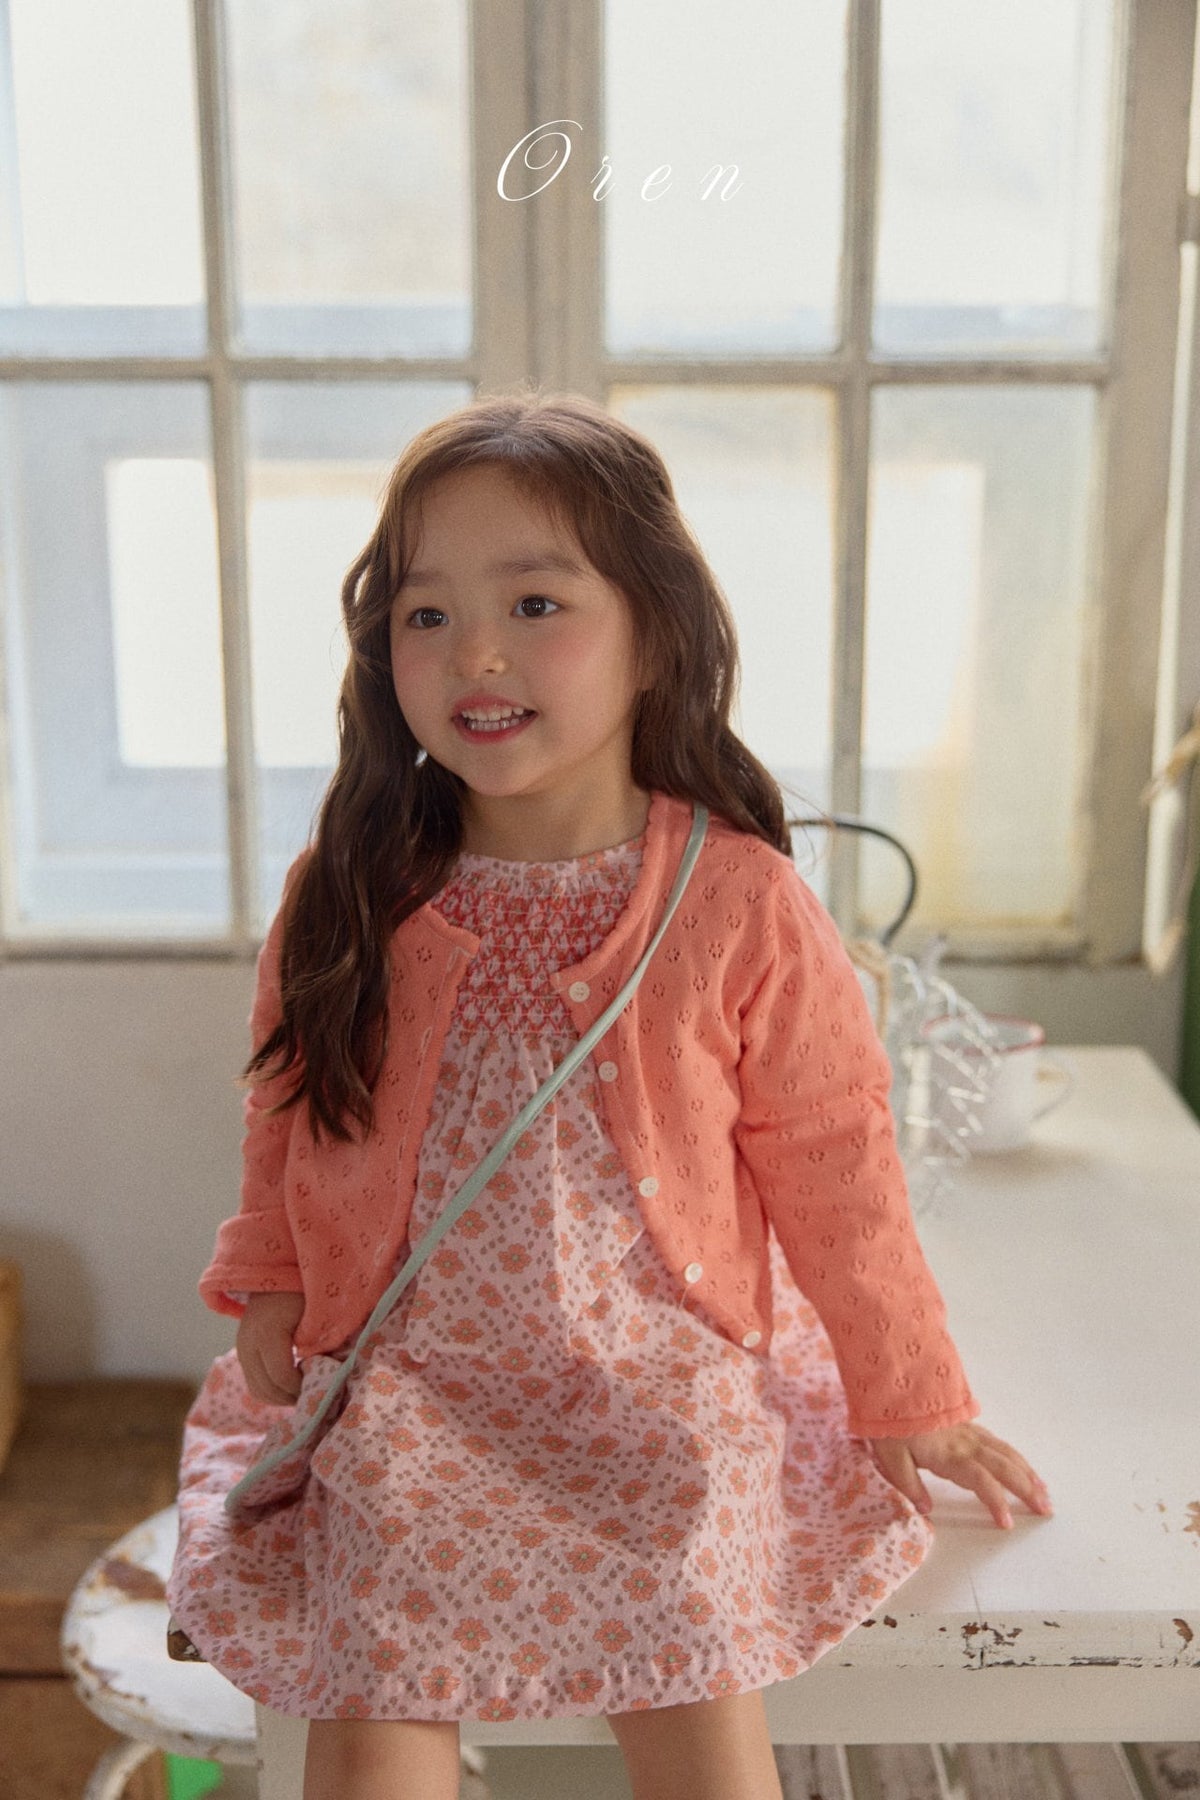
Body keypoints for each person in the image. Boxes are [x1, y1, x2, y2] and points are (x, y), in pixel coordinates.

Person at [166, 389, 1052, 1800]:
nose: (476, 651)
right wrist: (272, 1272)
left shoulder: (740, 900)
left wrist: (909, 1394)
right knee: (373, 1686)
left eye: (536, 603)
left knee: (698, 1659)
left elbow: (837, 1163)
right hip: (416, 1386)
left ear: (656, 633)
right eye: (426, 613)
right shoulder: (349, 886)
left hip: (659, 1389)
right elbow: (292, 1102)